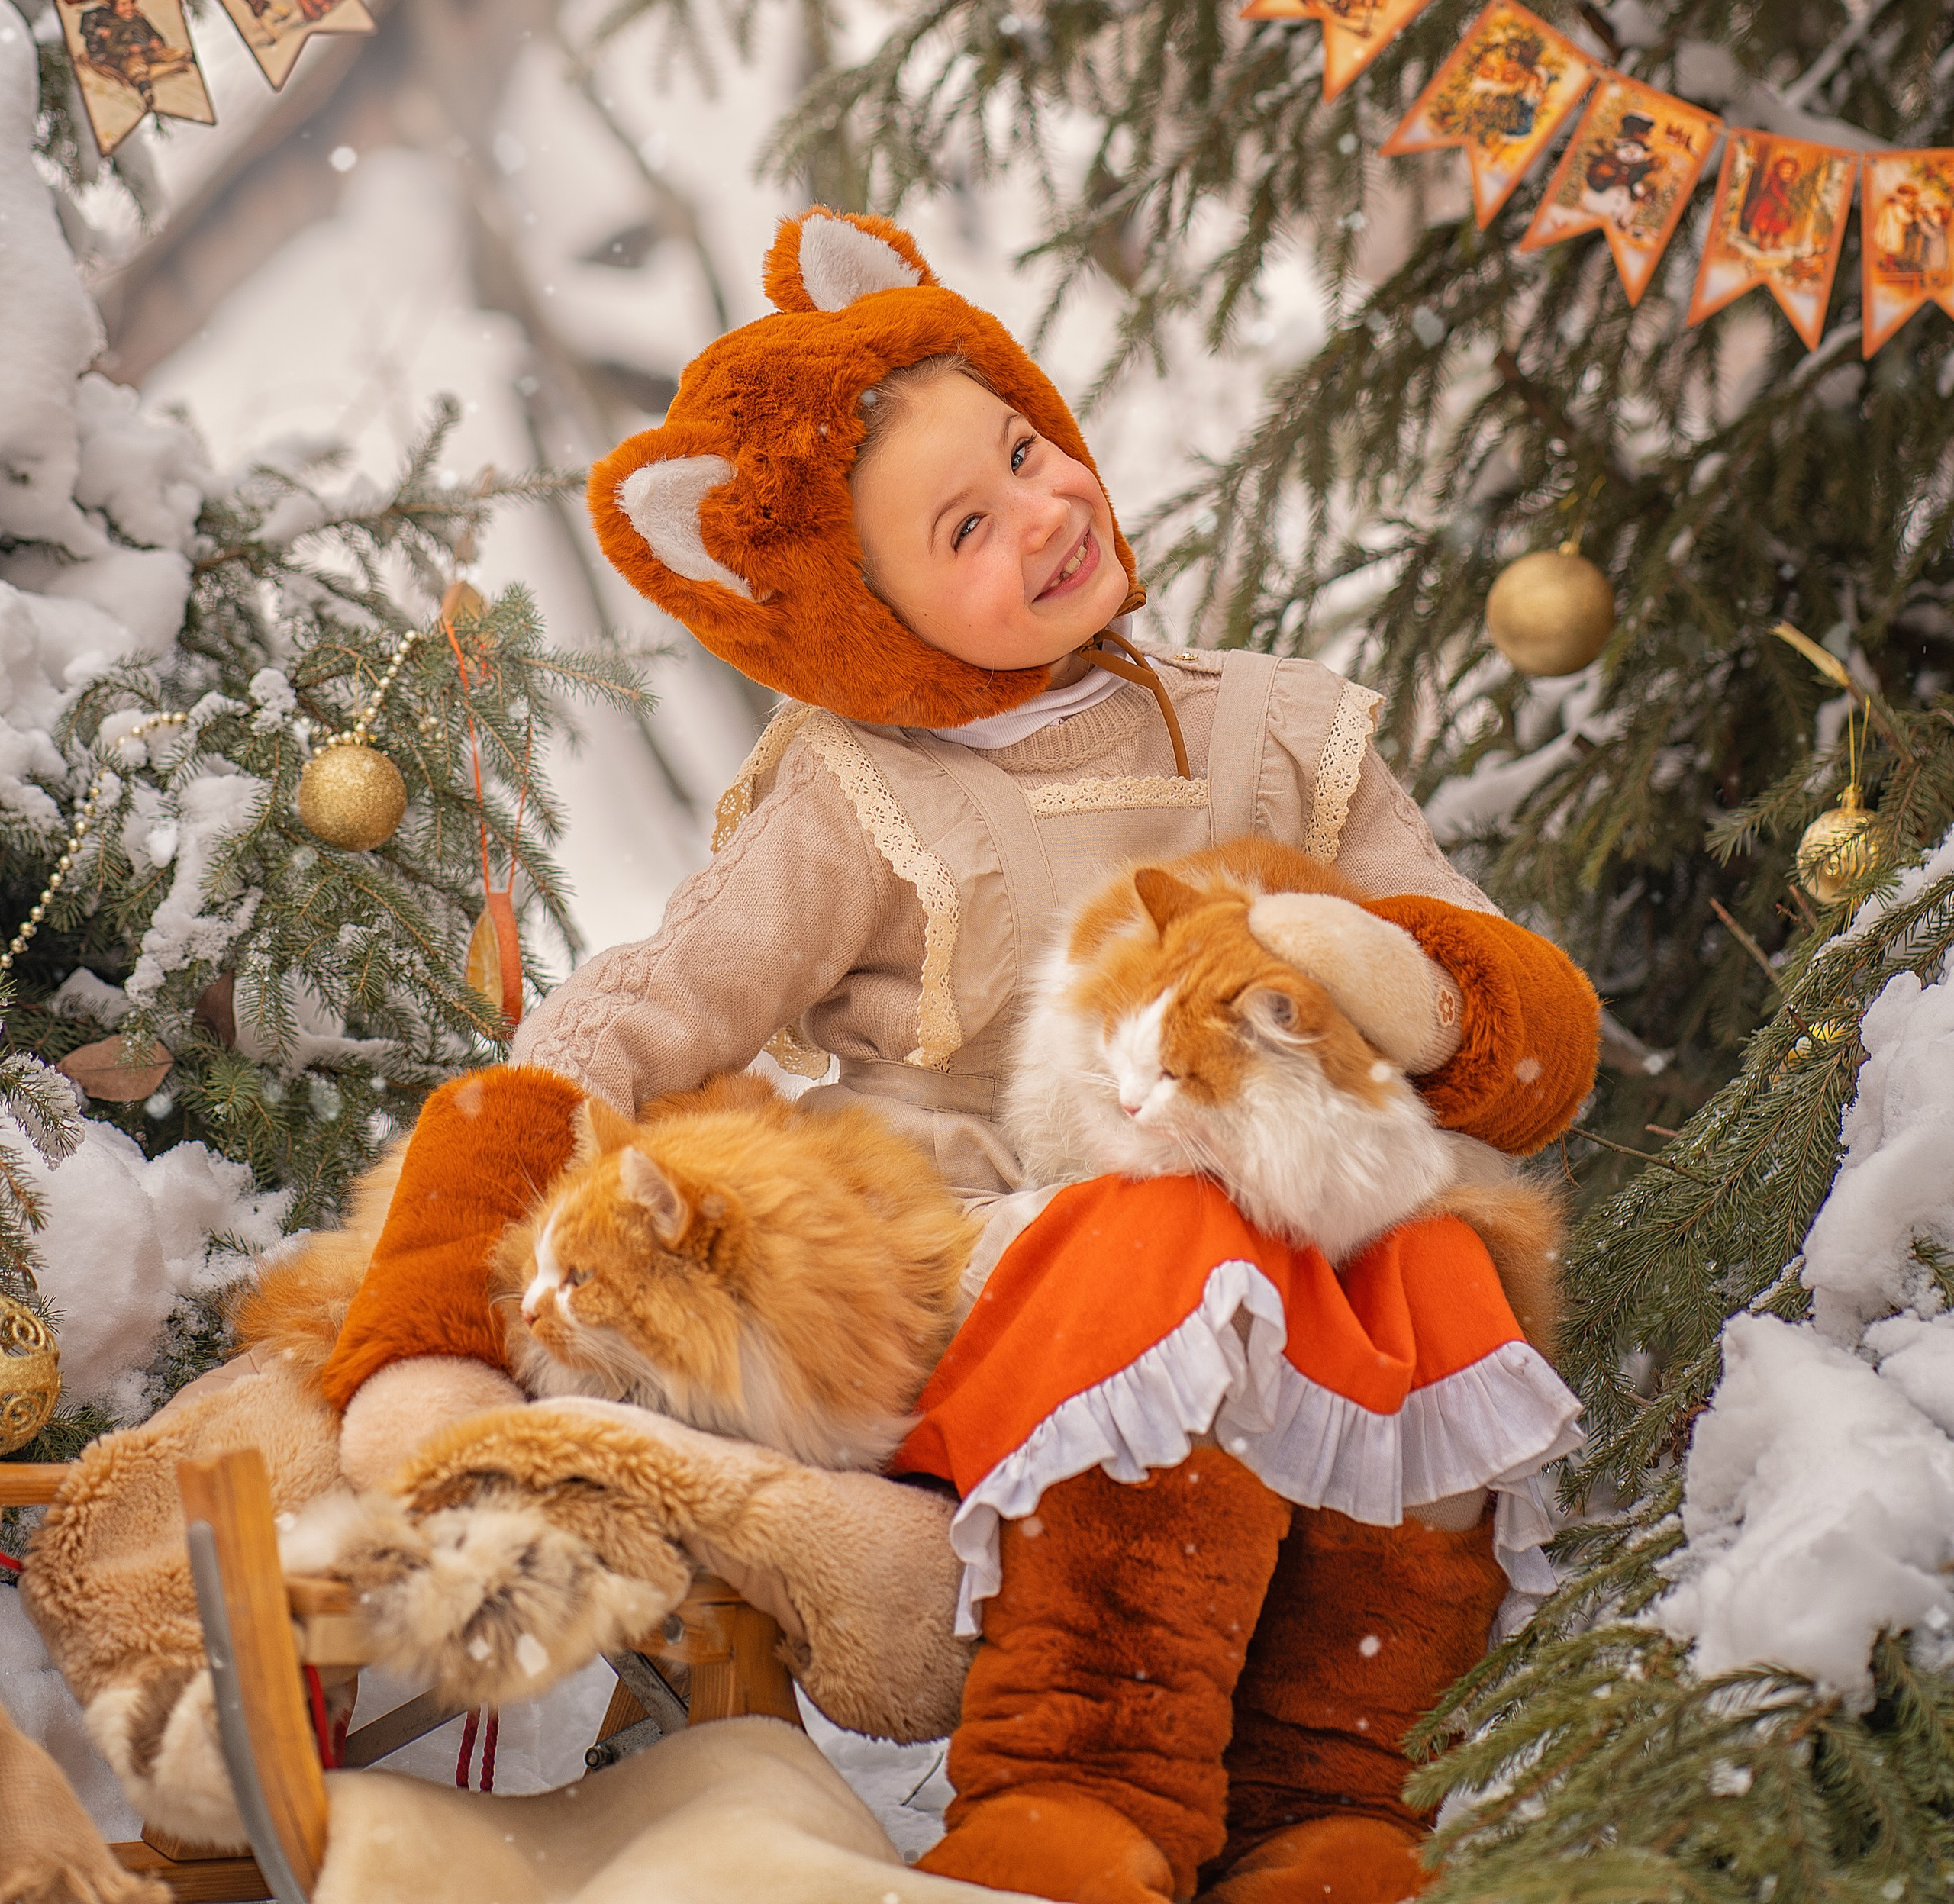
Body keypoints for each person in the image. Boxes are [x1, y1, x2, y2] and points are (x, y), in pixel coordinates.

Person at [321, 208, 1598, 1904]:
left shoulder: (1275, 728)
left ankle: (1337, 1793)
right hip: (1018, 1270)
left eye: (1024, 447)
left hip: (1296, 1221)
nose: (1047, 513)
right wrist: (431, 1307)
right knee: (1165, 1241)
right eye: (966, 526)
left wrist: (1411, 986)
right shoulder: (859, 799)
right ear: (858, 607)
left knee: (1435, 1251)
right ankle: (1087, 1781)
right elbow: (632, 1017)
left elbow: (1509, 1021)